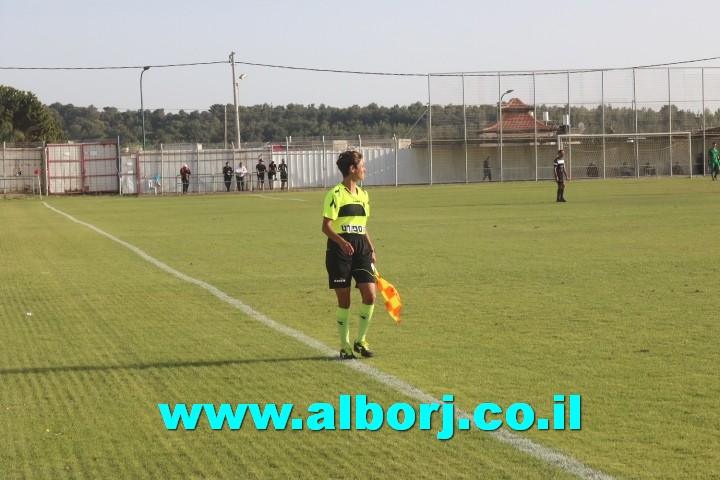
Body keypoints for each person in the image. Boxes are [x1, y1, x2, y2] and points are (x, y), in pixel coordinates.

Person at [322, 150, 377, 360]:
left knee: (370, 295)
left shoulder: (363, 195)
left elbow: (362, 227)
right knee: (344, 300)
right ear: (351, 169)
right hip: (339, 250)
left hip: (361, 249)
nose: (365, 169)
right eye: (362, 166)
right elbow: (326, 227)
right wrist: (342, 242)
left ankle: (360, 340)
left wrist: (371, 249)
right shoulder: (335, 194)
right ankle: (345, 345)